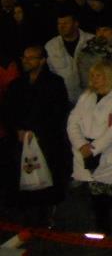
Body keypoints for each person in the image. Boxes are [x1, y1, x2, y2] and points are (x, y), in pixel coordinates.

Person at [3, 45, 70, 226]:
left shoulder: (55, 83)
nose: (26, 61)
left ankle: (47, 214)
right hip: (21, 140)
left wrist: (38, 132)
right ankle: (27, 215)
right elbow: (9, 111)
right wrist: (18, 130)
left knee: (48, 179)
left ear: (42, 60)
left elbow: (58, 111)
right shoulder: (16, 85)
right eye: (24, 57)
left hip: (46, 139)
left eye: (31, 58)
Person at [66, 61, 112, 236]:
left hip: (108, 152)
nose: (95, 79)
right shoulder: (86, 96)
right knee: (96, 197)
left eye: (99, 75)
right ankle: (103, 232)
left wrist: (94, 147)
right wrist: (81, 144)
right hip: (86, 151)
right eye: (92, 76)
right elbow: (73, 121)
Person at [44, 10, 95, 104]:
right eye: (59, 23)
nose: (61, 26)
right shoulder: (51, 46)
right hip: (64, 100)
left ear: (76, 24)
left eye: (66, 23)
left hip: (91, 98)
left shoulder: (92, 41)